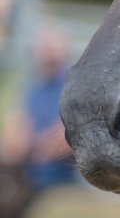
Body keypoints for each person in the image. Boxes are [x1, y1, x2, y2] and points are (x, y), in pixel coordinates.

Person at [1, 28, 75, 194]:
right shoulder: (33, 86)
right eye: (42, 46)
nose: (45, 50)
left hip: (59, 171)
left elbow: (69, 134)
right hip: (30, 162)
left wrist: (35, 148)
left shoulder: (72, 84)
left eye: (50, 46)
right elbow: (18, 122)